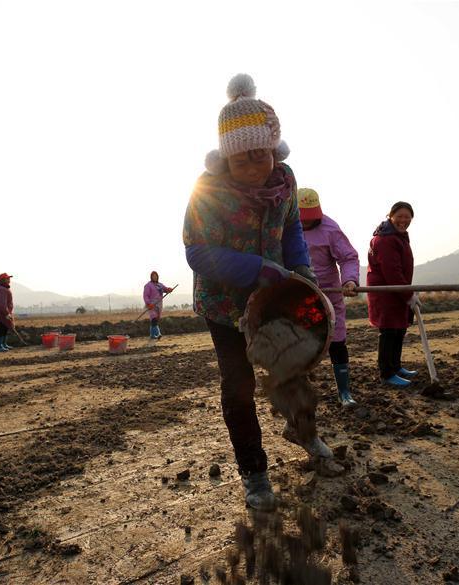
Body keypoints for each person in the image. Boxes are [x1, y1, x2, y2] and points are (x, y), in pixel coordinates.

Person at [184, 74, 330, 511]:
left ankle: (304, 432)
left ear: (274, 149)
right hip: (226, 306)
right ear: (225, 157)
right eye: (244, 160)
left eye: (262, 155)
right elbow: (198, 252)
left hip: (274, 301)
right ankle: (255, 473)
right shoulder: (208, 192)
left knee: (293, 368)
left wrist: (301, 269)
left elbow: (290, 231)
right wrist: (257, 269)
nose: (255, 167)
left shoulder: (284, 181)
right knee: (239, 386)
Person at [297, 188, 361, 406]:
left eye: (310, 218)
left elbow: (348, 257)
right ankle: (299, 394)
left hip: (330, 295)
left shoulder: (330, 229)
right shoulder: (285, 228)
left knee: (337, 342)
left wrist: (349, 281)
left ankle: (344, 392)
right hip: (300, 295)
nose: (306, 223)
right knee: (302, 344)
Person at [366, 201, 419, 388]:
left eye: (408, 217)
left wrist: (406, 292)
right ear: (390, 216)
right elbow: (392, 272)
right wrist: (408, 295)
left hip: (397, 289)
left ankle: (396, 367)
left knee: (399, 329)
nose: (403, 220)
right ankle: (387, 373)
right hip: (386, 292)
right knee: (389, 331)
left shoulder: (399, 236)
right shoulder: (386, 239)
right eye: (400, 216)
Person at [143, 271, 173, 340]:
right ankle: (158, 333)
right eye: (153, 276)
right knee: (153, 318)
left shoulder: (160, 285)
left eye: (156, 276)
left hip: (159, 305)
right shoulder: (148, 285)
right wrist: (148, 303)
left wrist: (169, 289)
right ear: (151, 277)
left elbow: (165, 289)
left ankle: (152, 335)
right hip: (151, 305)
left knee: (155, 320)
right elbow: (145, 296)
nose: (155, 277)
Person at [0, 273, 15, 351]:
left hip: (2, 311)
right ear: (2, 280)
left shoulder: (2, 288)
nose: (9, 280)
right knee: (2, 327)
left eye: (9, 278)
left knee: (5, 327)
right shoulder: (2, 289)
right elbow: (2, 304)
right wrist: (6, 313)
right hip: (2, 312)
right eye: (7, 278)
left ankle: (3, 344)